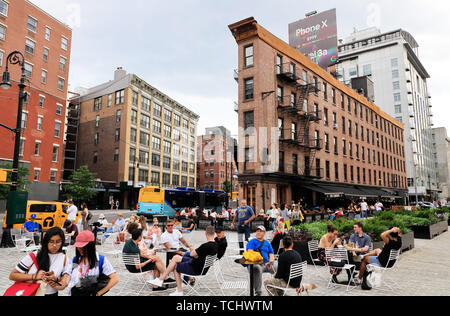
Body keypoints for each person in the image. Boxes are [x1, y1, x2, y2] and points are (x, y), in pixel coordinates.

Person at [149, 226, 218, 296]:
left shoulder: (205, 246)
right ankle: (160, 279)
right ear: (214, 233)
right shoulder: (216, 245)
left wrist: (194, 253)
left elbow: (192, 254)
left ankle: (179, 291)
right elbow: (197, 255)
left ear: (205, 233)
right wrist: (195, 254)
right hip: (201, 266)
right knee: (176, 257)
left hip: (195, 268)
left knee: (176, 266)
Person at [9, 227, 70, 296]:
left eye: (58, 242)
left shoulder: (64, 258)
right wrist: (34, 276)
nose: (54, 245)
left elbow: (64, 284)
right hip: (32, 292)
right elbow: (12, 275)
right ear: (46, 242)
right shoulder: (33, 256)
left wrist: (54, 281)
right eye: (51, 241)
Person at [66, 231, 118, 296]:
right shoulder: (75, 260)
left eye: (83, 247)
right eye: (78, 247)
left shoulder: (101, 260)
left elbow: (114, 279)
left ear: (91, 246)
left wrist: (98, 294)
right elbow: (67, 278)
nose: (80, 249)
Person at [246, 226, 275, 296]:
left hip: (266, 264)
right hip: (255, 264)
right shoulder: (252, 242)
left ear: (264, 233)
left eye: (260, 231)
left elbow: (271, 254)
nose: (258, 232)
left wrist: (271, 262)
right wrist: (261, 262)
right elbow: (250, 254)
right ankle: (258, 292)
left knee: (279, 266)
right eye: (257, 231)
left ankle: (279, 289)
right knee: (257, 269)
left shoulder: (267, 243)